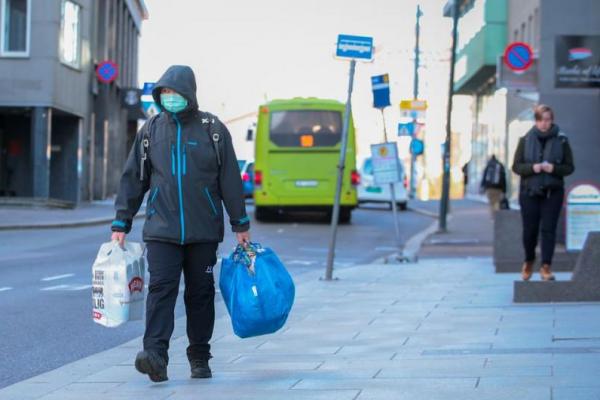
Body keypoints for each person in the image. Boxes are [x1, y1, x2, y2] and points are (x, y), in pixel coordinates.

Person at [110, 65, 250, 382]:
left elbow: (230, 179)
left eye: (175, 92)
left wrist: (239, 223)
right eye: (165, 93)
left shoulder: (212, 129)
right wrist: (122, 221)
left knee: (200, 293)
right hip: (161, 230)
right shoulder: (151, 131)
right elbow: (134, 178)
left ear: (189, 93)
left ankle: (199, 356)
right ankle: (155, 355)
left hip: (203, 231)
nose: (170, 97)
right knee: (161, 290)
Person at [512, 104, 574, 281]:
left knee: (548, 230)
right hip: (529, 192)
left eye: (547, 120)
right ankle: (529, 261)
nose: (544, 123)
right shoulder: (525, 140)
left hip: (552, 192)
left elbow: (569, 167)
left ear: (552, 120)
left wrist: (553, 168)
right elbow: (516, 166)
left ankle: (546, 266)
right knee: (530, 230)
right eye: (540, 120)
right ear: (536, 121)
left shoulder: (562, 140)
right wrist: (533, 167)